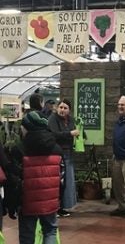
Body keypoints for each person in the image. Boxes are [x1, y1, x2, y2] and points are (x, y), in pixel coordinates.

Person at [18, 105, 62, 243]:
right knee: (50, 230)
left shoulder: (19, 148)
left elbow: (14, 178)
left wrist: (13, 203)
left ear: (27, 128)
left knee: (27, 233)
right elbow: (62, 178)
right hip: (50, 200)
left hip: (27, 201)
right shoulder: (56, 148)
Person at [48, 99, 79, 217]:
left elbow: (75, 132)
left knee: (67, 181)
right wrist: (70, 134)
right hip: (56, 154)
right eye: (61, 107)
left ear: (69, 110)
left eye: (65, 108)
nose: (62, 110)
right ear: (57, 108)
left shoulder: (71, 120)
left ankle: (62, 207)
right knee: (57, 181)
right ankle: (54, 207)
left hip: (68, 153)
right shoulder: (52, 119)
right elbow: (54, 134)